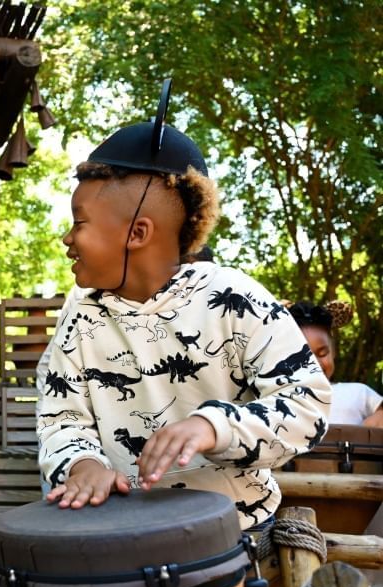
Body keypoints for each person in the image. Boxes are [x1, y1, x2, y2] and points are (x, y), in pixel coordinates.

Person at [35, 97, 332, 531]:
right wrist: (81, 465)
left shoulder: (235, 296)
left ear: (137, 232)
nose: (67, 238)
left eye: (79, 223)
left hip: (236, 532)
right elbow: (62, 417)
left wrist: (212, 427)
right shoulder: (79, 315)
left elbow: (308, 405)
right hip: (122, 529)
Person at [288, 300, 383, 427]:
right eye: (303, 357)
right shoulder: (277, 399)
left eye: (322, 354)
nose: (314, 363)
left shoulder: (358, 393)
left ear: (333, 351)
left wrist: (364, 431)